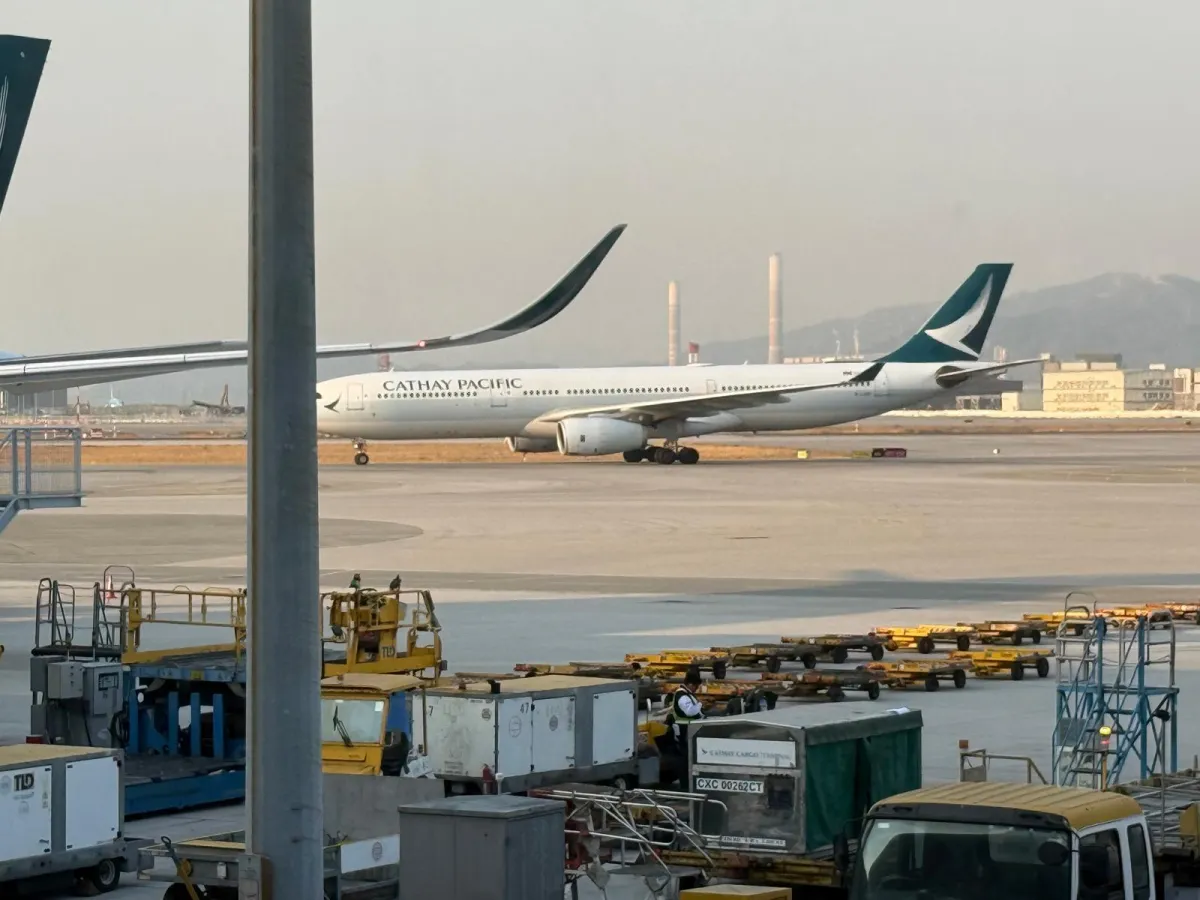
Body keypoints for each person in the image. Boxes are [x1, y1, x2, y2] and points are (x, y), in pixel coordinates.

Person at [671, 667, 705, 770]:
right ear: (690, 684)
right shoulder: (682, 695)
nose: (696, 689)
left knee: (689, 755)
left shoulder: (687, 694)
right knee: (686, 756)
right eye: (696, 686)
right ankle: (685, 780)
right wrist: (700, 704)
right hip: (684, 730)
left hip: (689, 729)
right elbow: (690, 711)